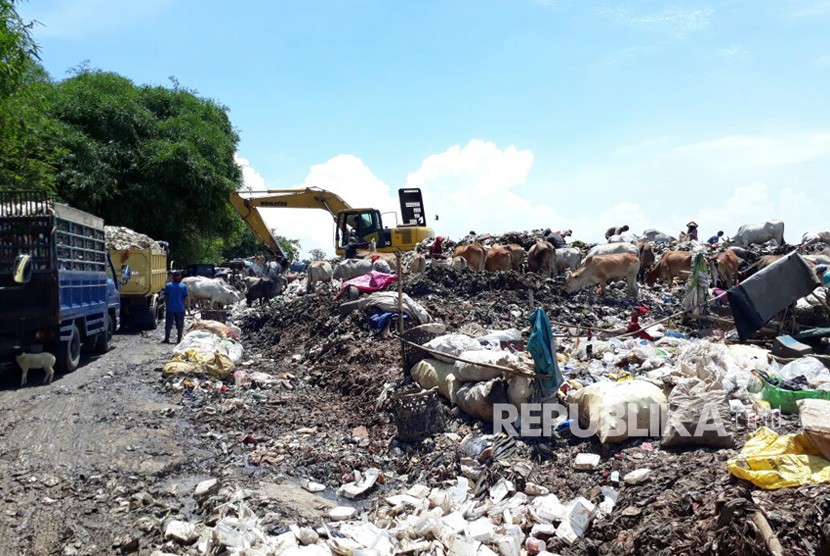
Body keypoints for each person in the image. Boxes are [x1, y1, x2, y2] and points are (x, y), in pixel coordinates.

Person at [162, 270, 188, 344]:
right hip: (180, 308)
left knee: (168, 324)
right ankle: (179, 340)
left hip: (170, 308)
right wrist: (184, 306)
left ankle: (167, 339)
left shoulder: (168, 285)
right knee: (180, 324)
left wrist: (167, 305)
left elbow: (166, 297)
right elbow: (185, 298)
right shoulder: (183, 286)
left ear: (173, 277)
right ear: (180, 277)